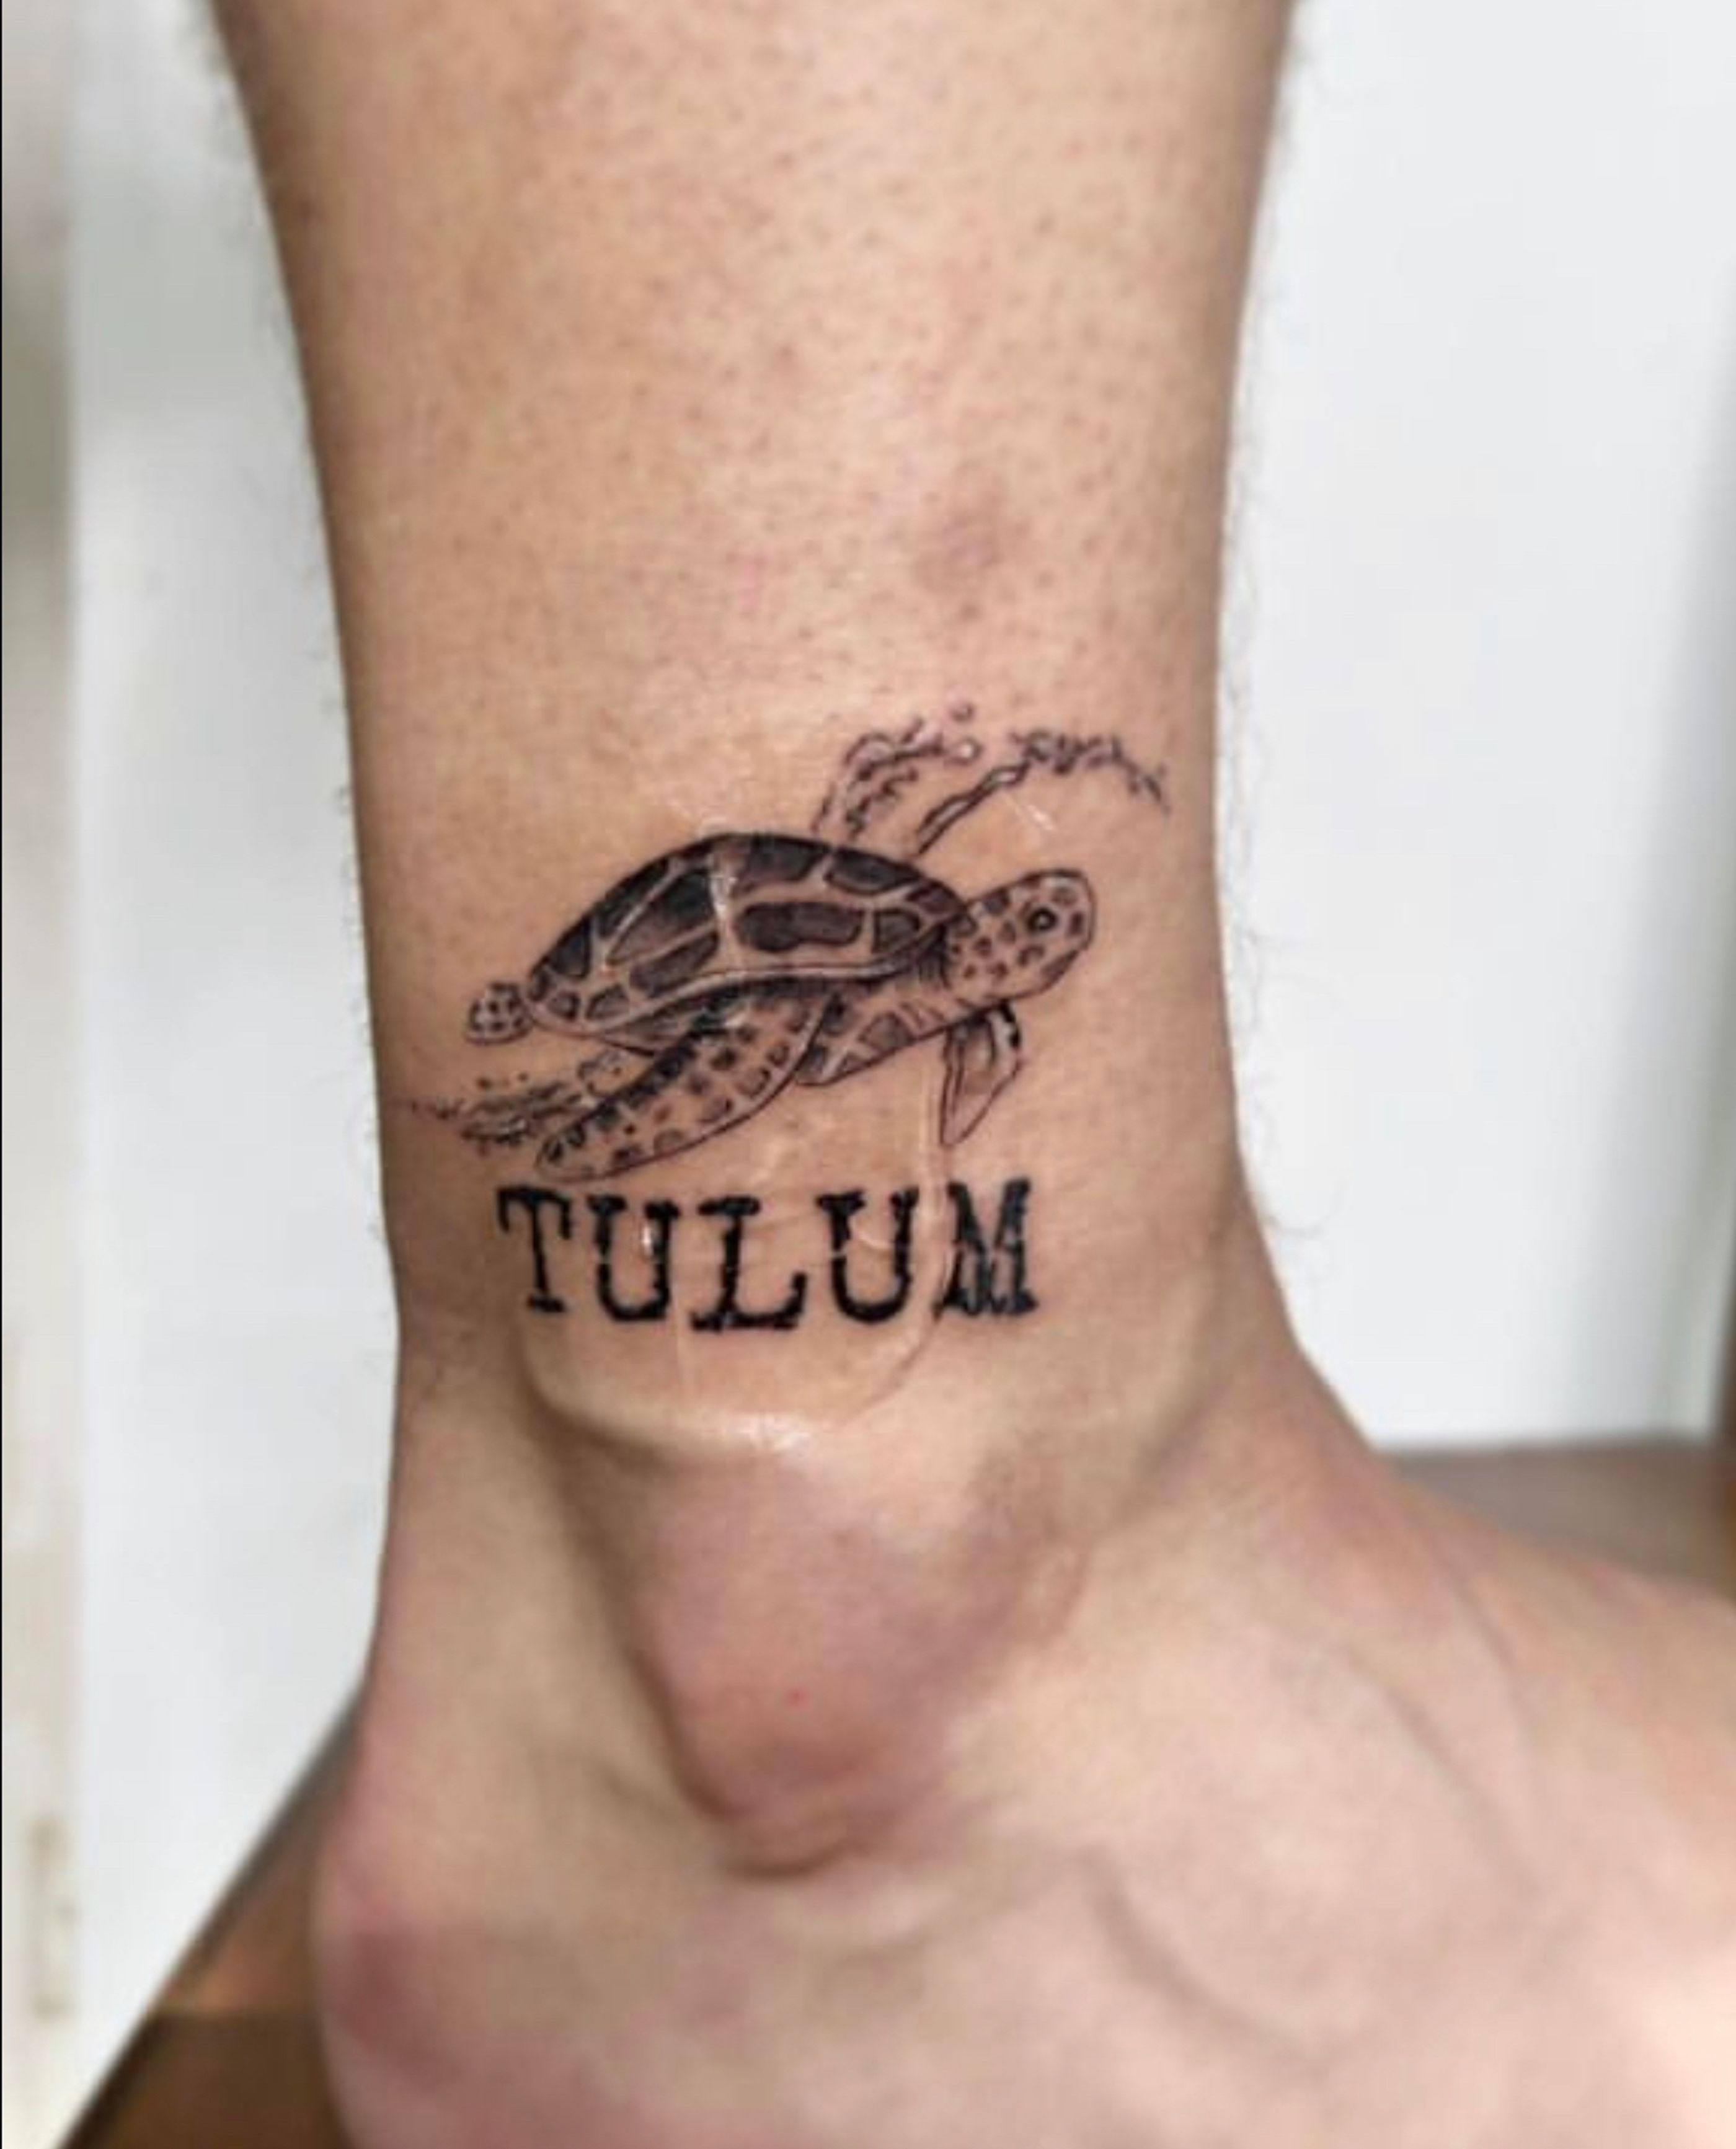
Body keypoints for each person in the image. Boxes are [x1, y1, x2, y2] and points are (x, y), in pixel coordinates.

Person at [214, 2, 1736, 2142]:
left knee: (647, 1086)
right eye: (1025, 930)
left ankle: (819, 1703)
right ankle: (884, 1685)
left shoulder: (941, 996)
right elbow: (821, 897)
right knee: (683, 1183)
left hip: (726, 979)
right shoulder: (918, 962)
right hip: (707, 970)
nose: (1025, 940)